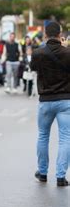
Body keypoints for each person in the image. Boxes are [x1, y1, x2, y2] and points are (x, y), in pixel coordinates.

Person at [31, 21, 70, 187]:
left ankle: (43, 172)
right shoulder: (68, 52)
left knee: (43, 135)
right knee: (65, 138)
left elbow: (33, 68)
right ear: (60, 34)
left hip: (45, 101)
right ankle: (61, 176)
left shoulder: (38, 53)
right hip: (65, 101)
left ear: (45, 34)